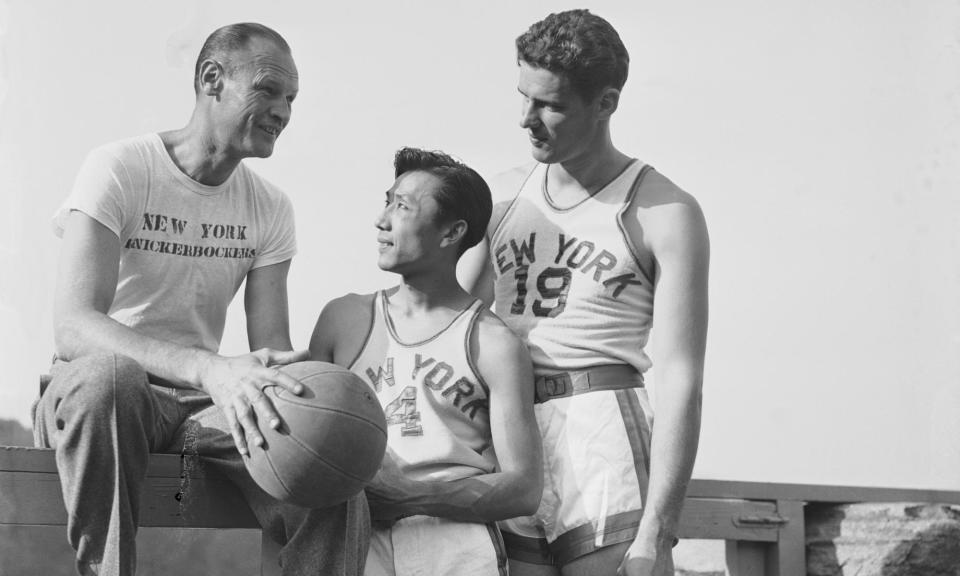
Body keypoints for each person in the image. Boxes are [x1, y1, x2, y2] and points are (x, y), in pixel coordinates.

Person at [34, 23, 368, 576]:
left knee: (328, 468)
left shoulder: (271, 207)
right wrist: (208, 368)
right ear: (213, 79)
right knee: (111, 379)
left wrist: (317, 397)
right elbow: (73, 327)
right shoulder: (120, 167)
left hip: (196, 407)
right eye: (268, 90)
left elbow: (270, 349)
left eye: (292, 99)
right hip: (94, 398)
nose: (284, 111)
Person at [460, 10, 710, 576]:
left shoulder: (664, 212)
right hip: (510, 429)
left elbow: (680, 378)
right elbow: (452, 327)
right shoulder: (501, 198)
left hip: (602, 430)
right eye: (523, 96)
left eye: (550, 105)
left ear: (606, 102)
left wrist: (657, 532)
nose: (528, 119)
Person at [309, 147, 543, 576]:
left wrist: (407, 496)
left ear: (451, 232)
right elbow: (308, 435)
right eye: (386, 202)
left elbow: (524, 488)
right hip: (356, 532)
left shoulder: (493, 343)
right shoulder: (341, 320)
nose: (382, 220)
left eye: (402, 207)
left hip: (454, 540)